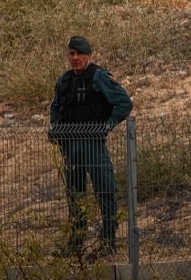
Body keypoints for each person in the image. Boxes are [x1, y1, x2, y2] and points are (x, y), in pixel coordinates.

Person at [48, 35, 132, 256]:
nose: (75, 58)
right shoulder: (64, 80)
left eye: (79, 54)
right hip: (71, 146)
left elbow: (124, 103)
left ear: (88, 56)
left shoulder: (98, 76)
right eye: (71, 54)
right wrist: (56, 129)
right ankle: (76, 242)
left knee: (105, 190)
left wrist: (107, 126)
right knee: (75, 195)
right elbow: (56, 108)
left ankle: (108, 242)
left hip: (93, 143)